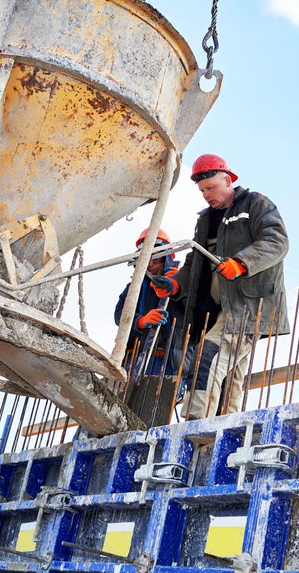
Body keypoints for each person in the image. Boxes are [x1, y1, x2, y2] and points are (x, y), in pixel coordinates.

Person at [151, 154, 289, 419]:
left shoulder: (255, 204)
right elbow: (194, 262)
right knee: (230, 376)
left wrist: (241, 262)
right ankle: (226, 425)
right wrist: (173, 285)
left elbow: (277, 241)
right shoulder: (205, 220)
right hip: (220, 310)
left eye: (210, 187)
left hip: (247, 306)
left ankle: (193, 426)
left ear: (227, 180)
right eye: (202, 190)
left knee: (208, 360)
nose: (205, 195)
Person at [114, 228, 184, 377]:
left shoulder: (184, 281)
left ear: (167, 257)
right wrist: (140, 320)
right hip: (133, 359)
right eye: (145, 258)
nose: (151, 263)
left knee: (159, 400)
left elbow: (197, 313)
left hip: (169, 362)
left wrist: (181, 289)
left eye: (156, 257)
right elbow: (118, 314)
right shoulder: (136, 285)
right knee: (121, 398)